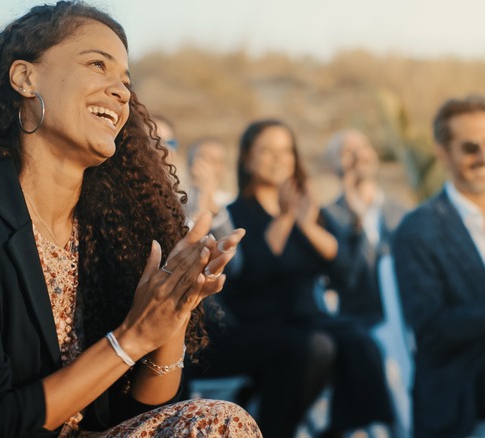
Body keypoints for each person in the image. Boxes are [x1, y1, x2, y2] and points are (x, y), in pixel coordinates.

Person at [0, 2, 261, 437]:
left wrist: (173, 313)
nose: (120, 92)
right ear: (26, 78)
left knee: (214, 421)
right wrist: (132, 337)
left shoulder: (113, 226)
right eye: (97, 64)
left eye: (125, 80)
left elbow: (135, 410)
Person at [188, 119, 393, 438]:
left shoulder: (309, 209)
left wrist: (306, 224)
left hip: (308, 317)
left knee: (360, 340)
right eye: (267, 150)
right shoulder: (236, 213)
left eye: (286, 151)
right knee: (315, 347)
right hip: (253, 324)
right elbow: (251, 273)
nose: (279, 158)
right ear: (247, 159)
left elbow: (345, 271)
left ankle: (342, 429)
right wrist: (284, 219)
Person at [393, 95, 485, 438]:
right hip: (457, 388)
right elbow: (431, 330)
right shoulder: (418, 229)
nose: (483, 156)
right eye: (471, 147)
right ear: (443, 153)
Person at [323, 129, 407, 327]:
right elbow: (345, 278)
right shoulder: (325, 218)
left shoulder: (403, 213)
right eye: (347, 151)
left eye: (363, 147)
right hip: (360, 326)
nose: (358, 155)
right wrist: (357, 221)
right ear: (332, 166)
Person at [184, 138, 235, 240]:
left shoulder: (231, 203)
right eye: (205, 159)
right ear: (191, 165)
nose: (211, 167)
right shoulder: (179, 202)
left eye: (218, 161)